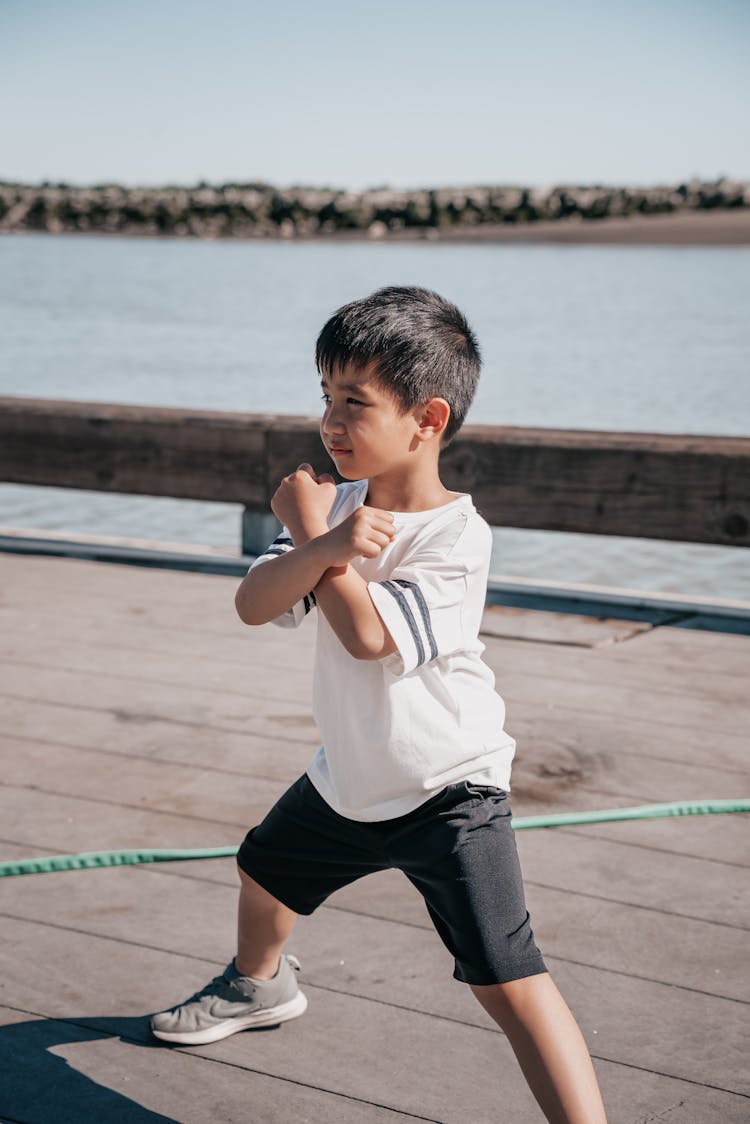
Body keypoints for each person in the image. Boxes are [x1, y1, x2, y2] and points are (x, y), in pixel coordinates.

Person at [150, 286, 607, 1123]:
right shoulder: (339, 509)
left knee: (508, 981)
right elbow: (256, 603)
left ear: (427, 419)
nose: (329, 421)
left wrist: (319, 543)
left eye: (354, 402)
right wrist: (320, 538)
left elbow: (365, 635)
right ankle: (260, 985)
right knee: (263, 868)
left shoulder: (455, 538)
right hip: (350, 778)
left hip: (448, 792)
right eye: (324, 396)